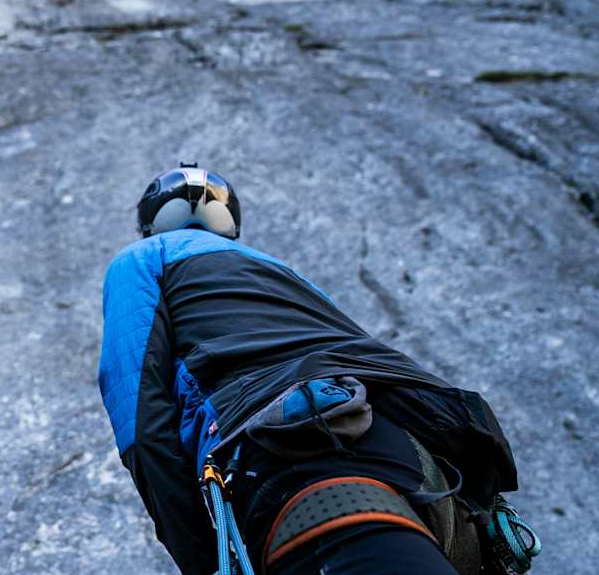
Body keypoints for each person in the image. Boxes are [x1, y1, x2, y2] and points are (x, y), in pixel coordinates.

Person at [97, 164, 533, 574]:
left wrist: (200, 557)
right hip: (407, 445)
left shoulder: (141, 258)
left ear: (150, 222)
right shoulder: (282, 270)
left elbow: (140, 420)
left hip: (276, 449)